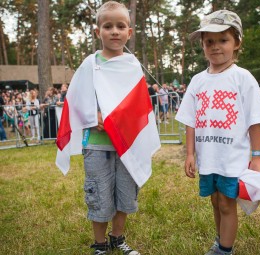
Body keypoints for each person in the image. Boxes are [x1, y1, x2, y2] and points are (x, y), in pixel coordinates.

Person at [55, 1, 160, 255]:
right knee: (99, 193)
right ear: (97, 32)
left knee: (125, 193)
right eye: (108, 26)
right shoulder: (90, 64)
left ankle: (117, 238)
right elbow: (75, 99)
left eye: (120, 26)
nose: (115, 31)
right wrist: (94, 115)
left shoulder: (133, 65)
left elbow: (139, 105)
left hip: (126, 144)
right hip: (97, 144)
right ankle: (100, 244)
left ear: (129, 32)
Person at [175, 10, 260, 255]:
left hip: (231, 158)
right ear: (202, 45)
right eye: (209, 41)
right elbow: (190, 121)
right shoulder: (197, 81)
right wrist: (190, 154)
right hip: (208, 158)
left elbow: (255, 121)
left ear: (237, 42)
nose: (215, 47)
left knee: (227, 204)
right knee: (215, 202)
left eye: (223, 40)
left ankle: (224, 250)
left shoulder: (242, 78)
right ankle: (220, 242)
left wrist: (258, 156)